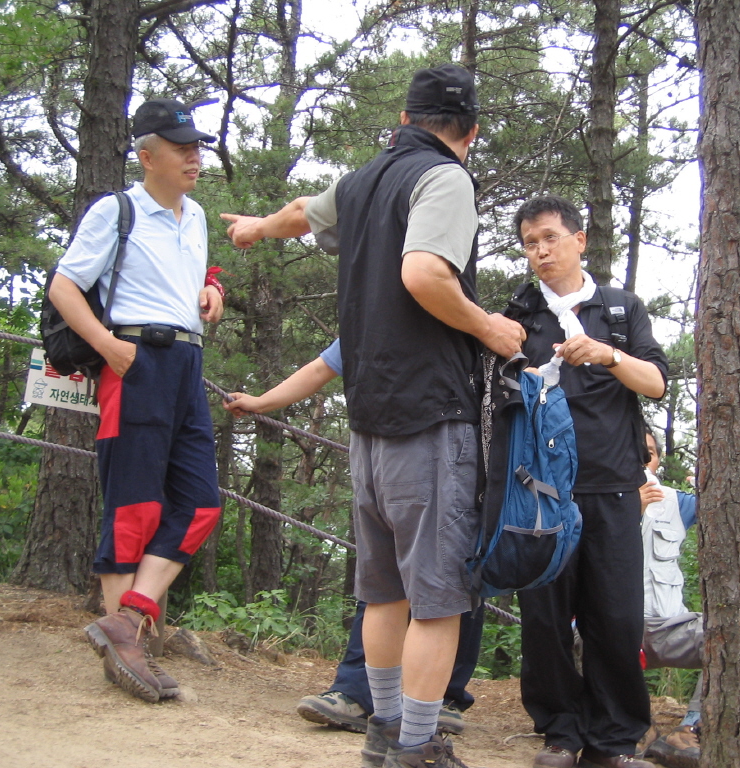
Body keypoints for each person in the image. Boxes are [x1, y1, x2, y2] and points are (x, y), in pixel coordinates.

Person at [221, 64, 524, 768]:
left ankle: (385, 733)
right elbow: (423, 273)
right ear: (470, 132)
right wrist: (488, 328)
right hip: (430, 416)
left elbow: (304, 212)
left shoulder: (360, 181)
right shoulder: (445, 177)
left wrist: (257, 230)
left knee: (384, 593)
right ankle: (417, 746)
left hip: (368, 423)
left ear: (405, 118)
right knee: (439, 600)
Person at [48, 98, 224, 703]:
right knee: (134, 506)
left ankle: (126, 620)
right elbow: (65, 285)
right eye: (181, 148)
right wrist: (106, 346)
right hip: (134, 360)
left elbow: (182, 274)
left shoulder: (195, 216)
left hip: (187, 365)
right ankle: (127, 652)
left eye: (196, 147)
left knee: (200, 504)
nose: (194, 157)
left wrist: (210, 288)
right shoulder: (115, 210)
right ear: (147, 157)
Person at [222, 341, 484, 737]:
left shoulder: (380, 314)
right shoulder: (438, 313)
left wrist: (262, 402)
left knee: (414, 588)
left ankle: (417, 711)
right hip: (421, 443)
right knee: (429, 592)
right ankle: (404, 730)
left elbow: (320, 367)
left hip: (396, 446)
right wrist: (261, 402)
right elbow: (322, 366)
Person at [505, 195, 668, 768]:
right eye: (530, 243)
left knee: (616, 618)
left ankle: (614, 741)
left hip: (614, 485)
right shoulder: (520, 314)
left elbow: (657, 383)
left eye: (550, 237)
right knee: (544, 617)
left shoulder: (620, 310)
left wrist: (607, 355)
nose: (540, 251)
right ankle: (560, 733)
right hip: (540, 490)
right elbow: (495, 391)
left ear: (580, 240)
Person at [636, 428, 703, 768]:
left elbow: (729, 507)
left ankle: (690, 729)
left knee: (729, 634)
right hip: (616, 626)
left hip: (671, 626)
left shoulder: (679, 502)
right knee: (583, 634)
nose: (642, 460)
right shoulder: (593, 500)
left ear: (658, 460)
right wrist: (628, 509)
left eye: (649, 453)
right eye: (634, 451)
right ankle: (636, 728)